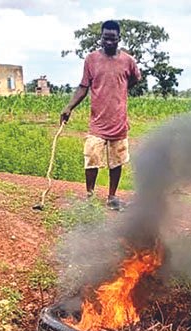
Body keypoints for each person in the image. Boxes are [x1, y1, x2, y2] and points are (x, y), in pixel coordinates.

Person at [61, 20, 142, 210]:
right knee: (91, 157)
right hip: (97, 122)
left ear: (119, 39)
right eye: (105, 38)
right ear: (101, 38)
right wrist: (69, 107)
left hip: (118, 121)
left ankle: (112, 197)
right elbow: (83, 87)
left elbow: (135, 79)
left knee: (117, 160)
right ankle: (89, 196)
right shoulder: (91, 59)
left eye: (112, 39)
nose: (108, 42)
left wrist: (121, 89)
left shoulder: (128, 61)